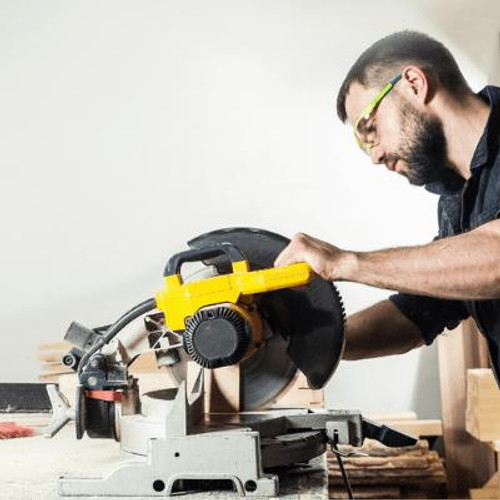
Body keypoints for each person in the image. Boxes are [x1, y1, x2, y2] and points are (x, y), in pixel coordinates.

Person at [274, 30, 500, 382]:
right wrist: (303, 339)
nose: (375, 155)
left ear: (413, 83)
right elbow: (421, 313)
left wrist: (344, 263)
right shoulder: (457, 200)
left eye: (369, 128)